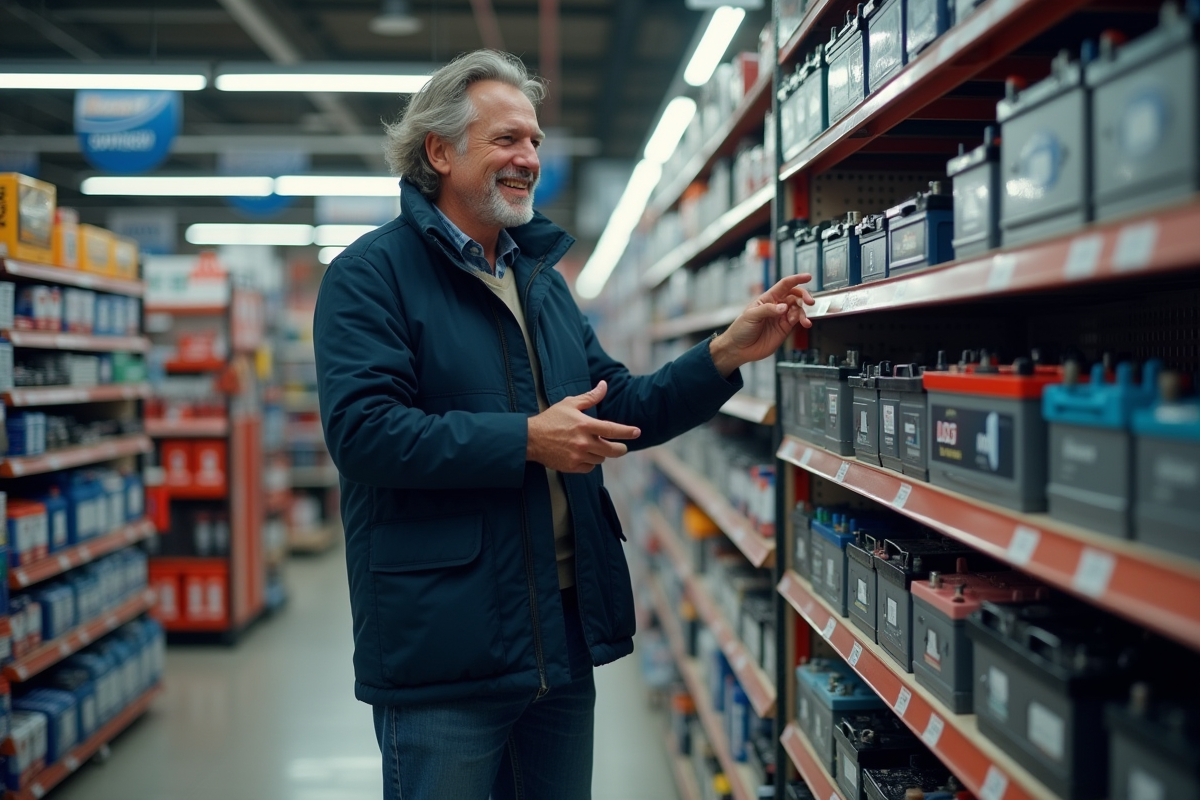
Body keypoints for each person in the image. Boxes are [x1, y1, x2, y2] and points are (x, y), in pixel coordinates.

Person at [313, 49, 814, 800]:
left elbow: (615, 408)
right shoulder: (370, 275)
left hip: (559, 632)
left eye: (535, 141)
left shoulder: (540, 283)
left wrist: (721, 355)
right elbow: (364, 433)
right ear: (440, 152)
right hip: (446, 647)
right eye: (507, 139)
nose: (529, 158)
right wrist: (526, 440)